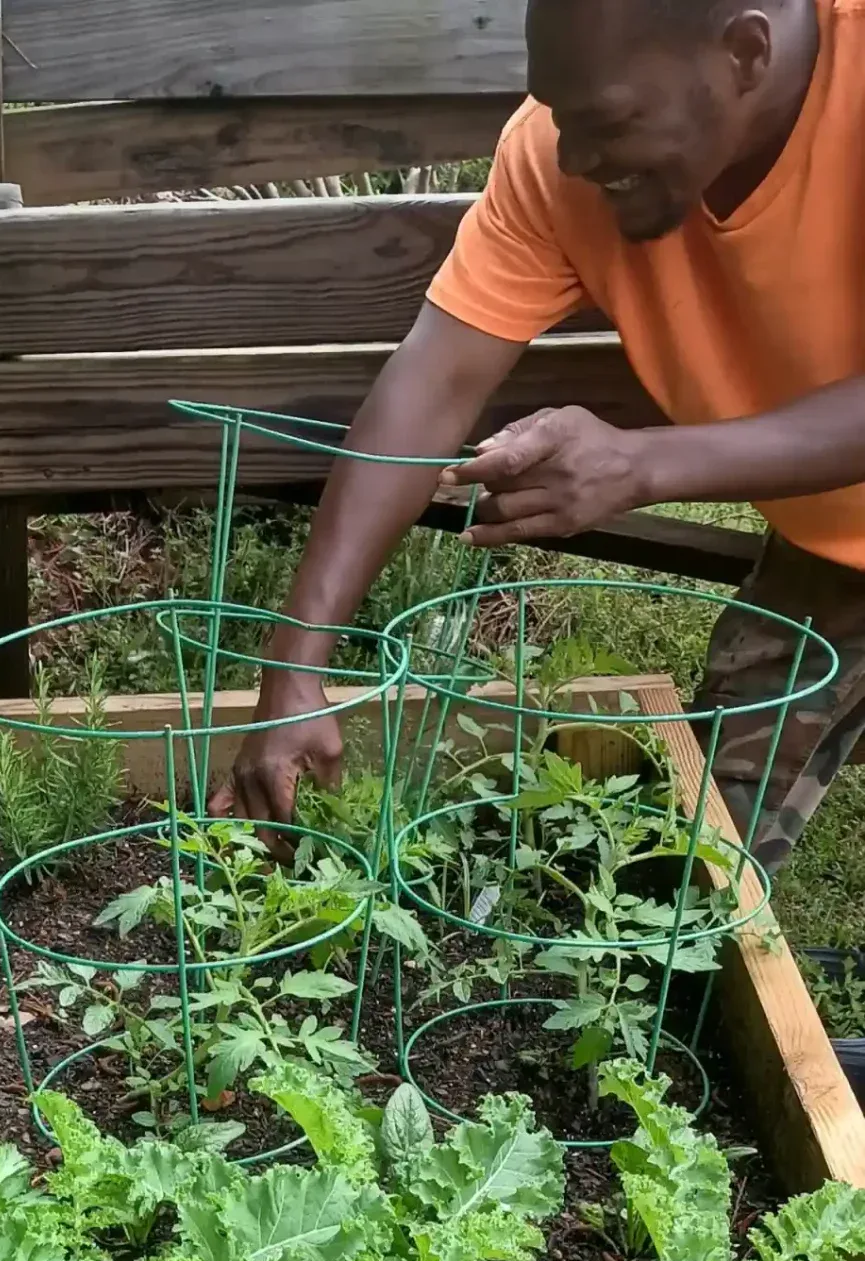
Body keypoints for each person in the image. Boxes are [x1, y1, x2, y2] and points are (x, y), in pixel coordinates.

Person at [223, 0, 865, 871]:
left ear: (745, 52)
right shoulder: (557, 154)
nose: (572, 157)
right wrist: (297, 662)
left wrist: (643, 462)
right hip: (830, 553)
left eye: (602, 122)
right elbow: (431, 384)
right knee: (691, 875)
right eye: (561, 118)